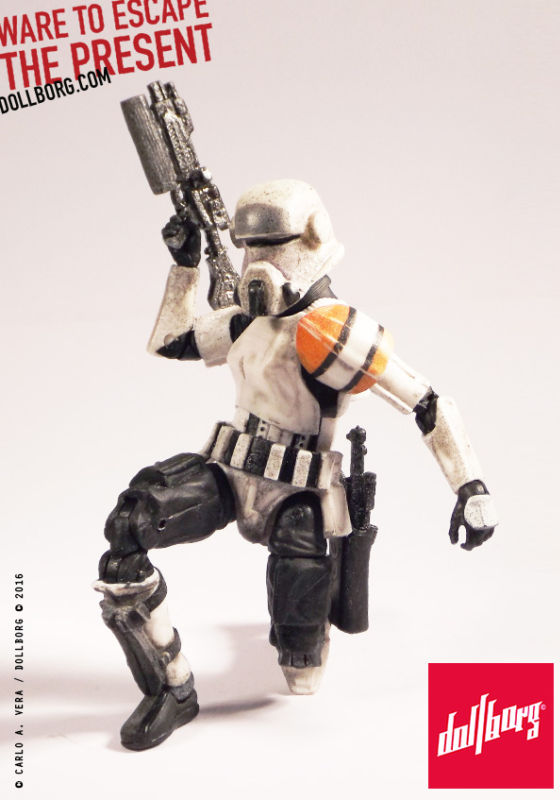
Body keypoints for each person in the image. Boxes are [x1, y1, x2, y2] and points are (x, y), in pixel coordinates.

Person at [95, 179, 497, 750]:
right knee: (129, 527)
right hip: (228, 473)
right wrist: (184, 267)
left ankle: (303, 654)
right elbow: (170, 341)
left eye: (271, 246)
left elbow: (425, 401)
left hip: (297, 494)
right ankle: (172, 686)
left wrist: (471, 486)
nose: (257, 262)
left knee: (301, 663)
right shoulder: (244, 321)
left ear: (309, 240)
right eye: (249, 247)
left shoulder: (335, 331)